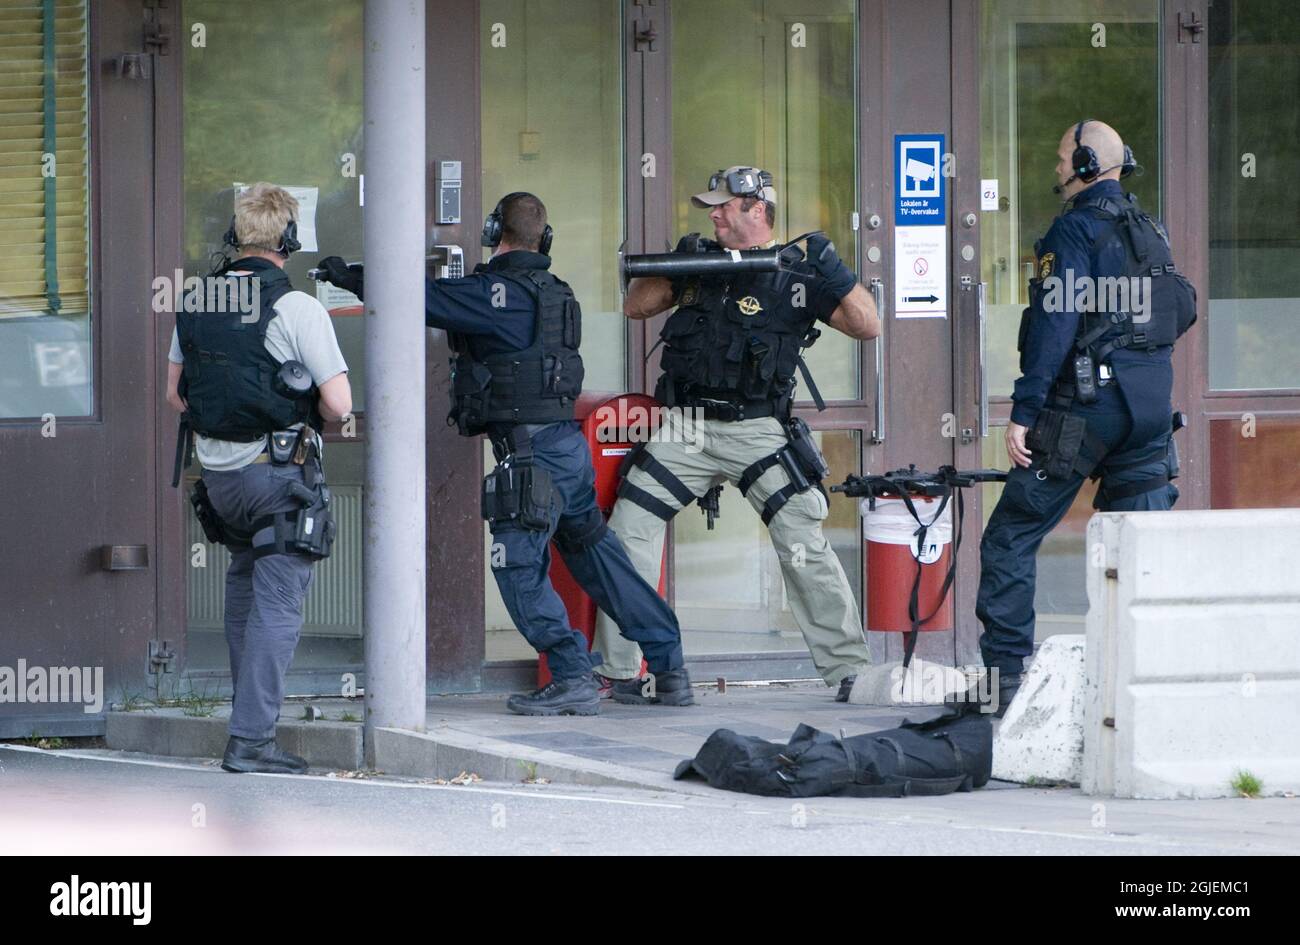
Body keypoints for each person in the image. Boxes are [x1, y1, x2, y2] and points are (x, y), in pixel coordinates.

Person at [318, 192, 690, 715]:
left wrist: (349, 275)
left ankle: (571, 676)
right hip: (565, 448)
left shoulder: (495, 293)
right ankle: (670, 667)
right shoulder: (556, 292)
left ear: (496, 233)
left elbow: (410, 297)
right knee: (599, 558)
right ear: (546, 238)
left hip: (529, 459)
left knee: (516, 565)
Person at [592, 166, 879, 702]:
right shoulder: (702, 263)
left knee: (802, 544)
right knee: (627, 533)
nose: (714, 214)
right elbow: (636, 307)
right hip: (685, 428)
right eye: (713, 207)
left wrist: (833, 269)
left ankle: (849, 671)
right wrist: (679, 264)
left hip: (757, 430)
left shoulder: (795, 272)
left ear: (757, 208)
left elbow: (868, 324)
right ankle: (620, 669)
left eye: (724, 206)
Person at [974, 120, 1196, 715]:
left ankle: (1004, 687)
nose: (1055, 169)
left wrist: (1024, 411)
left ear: (1087, 163)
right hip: (1149, 411)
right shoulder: (1150, 230)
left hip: (1085, 410)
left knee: (1010, 537)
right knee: (1137, 547)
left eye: (1059, 158)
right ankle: (1144, 682)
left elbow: (1053, 325)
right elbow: (1183, 309)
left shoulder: (1073, 228)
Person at [167, 182, 353, 773]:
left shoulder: (196, 300)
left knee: (245, 589)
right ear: (290, 240)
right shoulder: (296, 307)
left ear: (234, 236)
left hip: (219, 483)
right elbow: (339, 405)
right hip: (277, 480)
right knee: (278, 602)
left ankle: (248, 722)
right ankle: (250, 740)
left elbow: (175, 394)